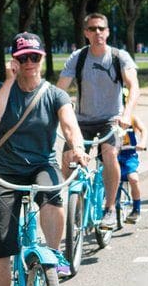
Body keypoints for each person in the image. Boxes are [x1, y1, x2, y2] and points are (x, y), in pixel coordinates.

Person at [0, 32, 89, 286]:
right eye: (22, 58)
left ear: (42, 58)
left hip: (40, 164)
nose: (29, 63)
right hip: (3, 170)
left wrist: (78, 148)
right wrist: (8, 80)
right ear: (14, 60)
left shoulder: (54, 95)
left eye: (34, 57)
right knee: (1, 244)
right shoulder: (1, 90)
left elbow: (70, 126)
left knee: (53, 188)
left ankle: (52, 254)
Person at [57, 12, 140, 230]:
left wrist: (127, 114)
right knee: (67, 157)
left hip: (112, 119)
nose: (97, 33)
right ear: (86, 33)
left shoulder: (119, 57)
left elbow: (133, 86)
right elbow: (60, 91)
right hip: (81, 121)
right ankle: (71, 200)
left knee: (109, 153)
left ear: (108, 31)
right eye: (92, 29)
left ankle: (110, 209)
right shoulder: (78, 58)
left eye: (101, 28)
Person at [119, 107, 148, 224]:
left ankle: (136, 209)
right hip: (113, 154)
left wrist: (142, 142)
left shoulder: (132, 118)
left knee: (133, 178)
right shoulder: (107, 117)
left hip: (129, 155)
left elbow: (144, 130)